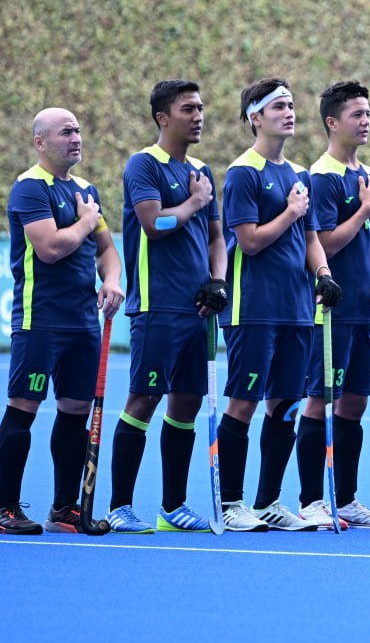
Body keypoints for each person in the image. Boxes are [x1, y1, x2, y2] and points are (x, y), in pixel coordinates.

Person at [216, 78, 342, 532]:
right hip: (253, 308)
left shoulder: (299, 175)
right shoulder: (243, 173)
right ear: (255, 117)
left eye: (291, 106)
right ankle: (230, 503)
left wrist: (323, 274)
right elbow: (249, 242)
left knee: (286, 406)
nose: (289, 113)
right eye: (278, 107)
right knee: (244, 403)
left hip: (296, 309)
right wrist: (289, 211)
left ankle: (268, 501)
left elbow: (310, 238)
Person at [106, 80, 226, 533]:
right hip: (157, 307)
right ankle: (119, 507)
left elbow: (216, 239)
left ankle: (173, 508)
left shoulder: (202, 169)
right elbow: (154, 223)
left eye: (200, 108)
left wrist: (217, 281)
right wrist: (195, 201)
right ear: (163, 117)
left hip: (198, 310)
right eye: (188, 109)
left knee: (187, 403)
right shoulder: (144, 164)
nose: (198, 116)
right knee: (144, 398)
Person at [0, 108, 124, 534]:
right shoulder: (30, 188)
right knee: (23, 409)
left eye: (77, 130)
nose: (76, 138)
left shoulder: (86, 190)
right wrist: (86, 220)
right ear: (40, 142)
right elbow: (51, 248)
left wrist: (111, 279)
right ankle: (5, 508)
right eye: (65, 132)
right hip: (41, 321)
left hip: (83, 323)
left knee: (75, 411)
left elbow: (106, 250)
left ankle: (64, 508)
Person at [293, 80, 370, 530]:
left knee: (354, 405)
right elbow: (324, 244)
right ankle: (312, 500)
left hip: (368, 313)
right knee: (320, 402)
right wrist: (364, 210)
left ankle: (347, 498)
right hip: (331, 312)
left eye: (368, 113)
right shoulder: (321, 177)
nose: (366, 121)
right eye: (357, 114)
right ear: (332, 122)